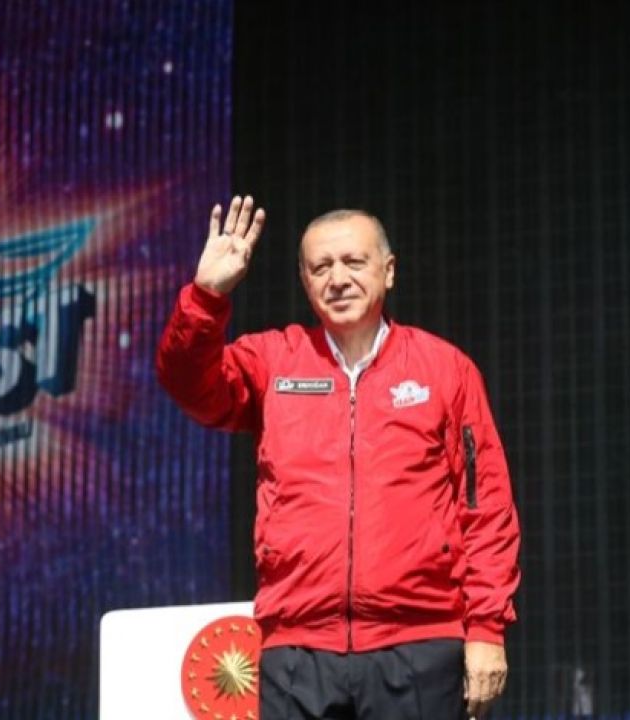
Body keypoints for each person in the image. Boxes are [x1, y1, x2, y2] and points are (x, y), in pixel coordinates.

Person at [156, 196, 521, 719]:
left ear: (388, 271)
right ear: (304, 282)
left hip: (417, 643)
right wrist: (206, 296)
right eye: (321, 267)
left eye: (354, 262)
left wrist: (486, 627)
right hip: (298, 649)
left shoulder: (445, 370)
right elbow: (188, 384)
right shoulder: (273, 360)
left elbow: (485, 507)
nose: (338, 279)